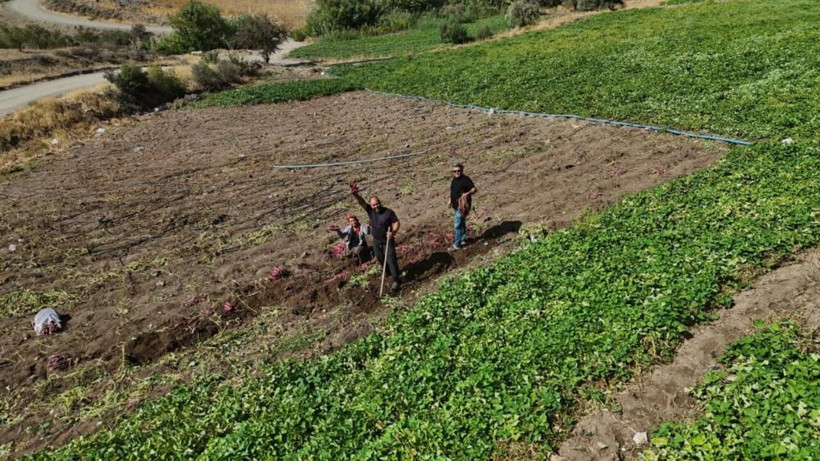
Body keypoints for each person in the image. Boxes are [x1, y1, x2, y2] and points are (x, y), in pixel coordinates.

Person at [349, 180, 401, 292]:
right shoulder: (370, 211)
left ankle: (396, 279)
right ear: (371, 206)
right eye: (374, 205)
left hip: (387, 240)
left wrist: (393, 232)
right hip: (376, 240)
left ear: (380, 203)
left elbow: (396, 222)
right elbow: (361, 202)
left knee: (391, 259)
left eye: (377, 204)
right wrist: (355, 194)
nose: (376, 206)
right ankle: (387, 272)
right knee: (380, 258)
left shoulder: (388, 212)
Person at [448, 162, 477, 251]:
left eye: (458, 170)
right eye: (455, 171)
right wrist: (449, 200)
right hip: (455, 205)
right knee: (462, 222)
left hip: (462, 206)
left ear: (462, 170)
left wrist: (467, 194)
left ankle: (457, 244)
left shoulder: (466, 180)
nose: (457, 172)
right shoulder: (454, 179)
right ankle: (463, 239)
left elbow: (474, 189)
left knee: (457, 225)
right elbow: (452, 191)